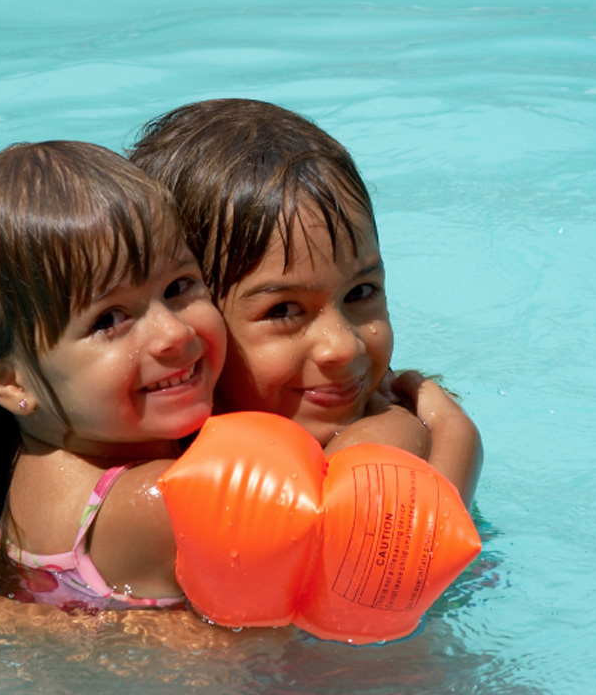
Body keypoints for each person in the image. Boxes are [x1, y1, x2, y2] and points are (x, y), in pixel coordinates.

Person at [0, 141, 227, 610]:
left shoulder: (20, 469)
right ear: (12, 383)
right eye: (108, 319)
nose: (173, 332)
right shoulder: (160, 503)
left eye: (177, 287)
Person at [128, 98, 482, 505]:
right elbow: (385, 561)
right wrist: (458, 442)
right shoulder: (165, 487)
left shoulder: (391, 405)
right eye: (282, 310)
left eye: (360, 293)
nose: (344, 347)